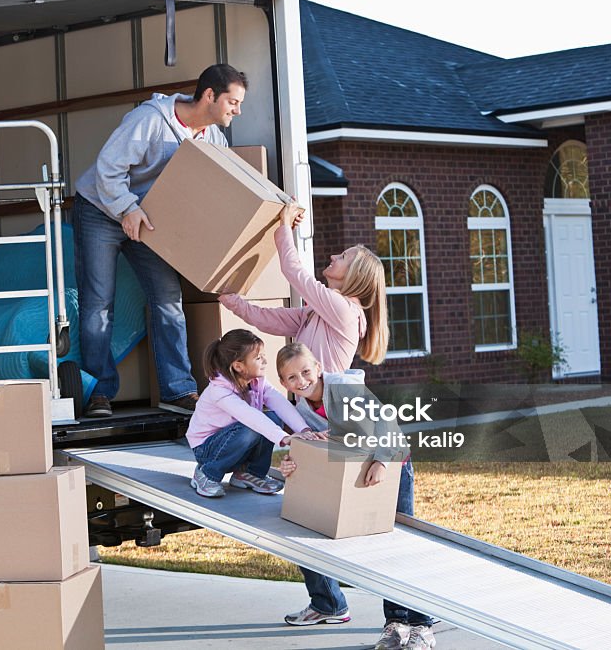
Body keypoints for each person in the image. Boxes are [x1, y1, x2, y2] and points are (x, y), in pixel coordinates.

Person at [73, 63, 248, 418]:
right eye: (233, 101)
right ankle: (97, 393)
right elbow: (108, 168)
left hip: (148, 219)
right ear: (210, 95)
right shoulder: (150, 120)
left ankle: (178, 390)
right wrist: (126, 209)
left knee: (168, 298)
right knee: (98, 304)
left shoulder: (214, 139)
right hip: (101, 209)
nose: (237, 110)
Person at [275, 343, 435, 650]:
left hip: (390, 464)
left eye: (306, 372)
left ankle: (421, 624)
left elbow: (385, 422)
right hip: (357, 468)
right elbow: (313, 447)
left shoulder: (344, 390)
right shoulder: (301, 408)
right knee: (378, 551)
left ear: (318, 367)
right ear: (284, 383)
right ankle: (396, 623)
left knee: (398, 548)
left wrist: (382, 462)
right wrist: (292, 462)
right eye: (292, 377)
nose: (301, 381)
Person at [218, 202, 388, 374]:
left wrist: (284, 223)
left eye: (342, 257)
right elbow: (267, 319)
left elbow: (293, 270)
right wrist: (228, 297)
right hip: (309, 401)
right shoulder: (315, 314)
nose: (333, 256)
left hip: (325, 401)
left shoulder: (345, 311)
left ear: (354, 274)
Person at [185, 329, 324, 498]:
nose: (265, 361)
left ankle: (249, 474)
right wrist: (284, 438)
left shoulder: (257, 381)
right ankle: (206, 474)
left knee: (273, 416)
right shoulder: (219, 391)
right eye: (258, 358)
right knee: (251, 427)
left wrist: (304, 430)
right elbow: (250, 417)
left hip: (237, 441)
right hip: (207, 449)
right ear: (238, 366)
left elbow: (280, 403)